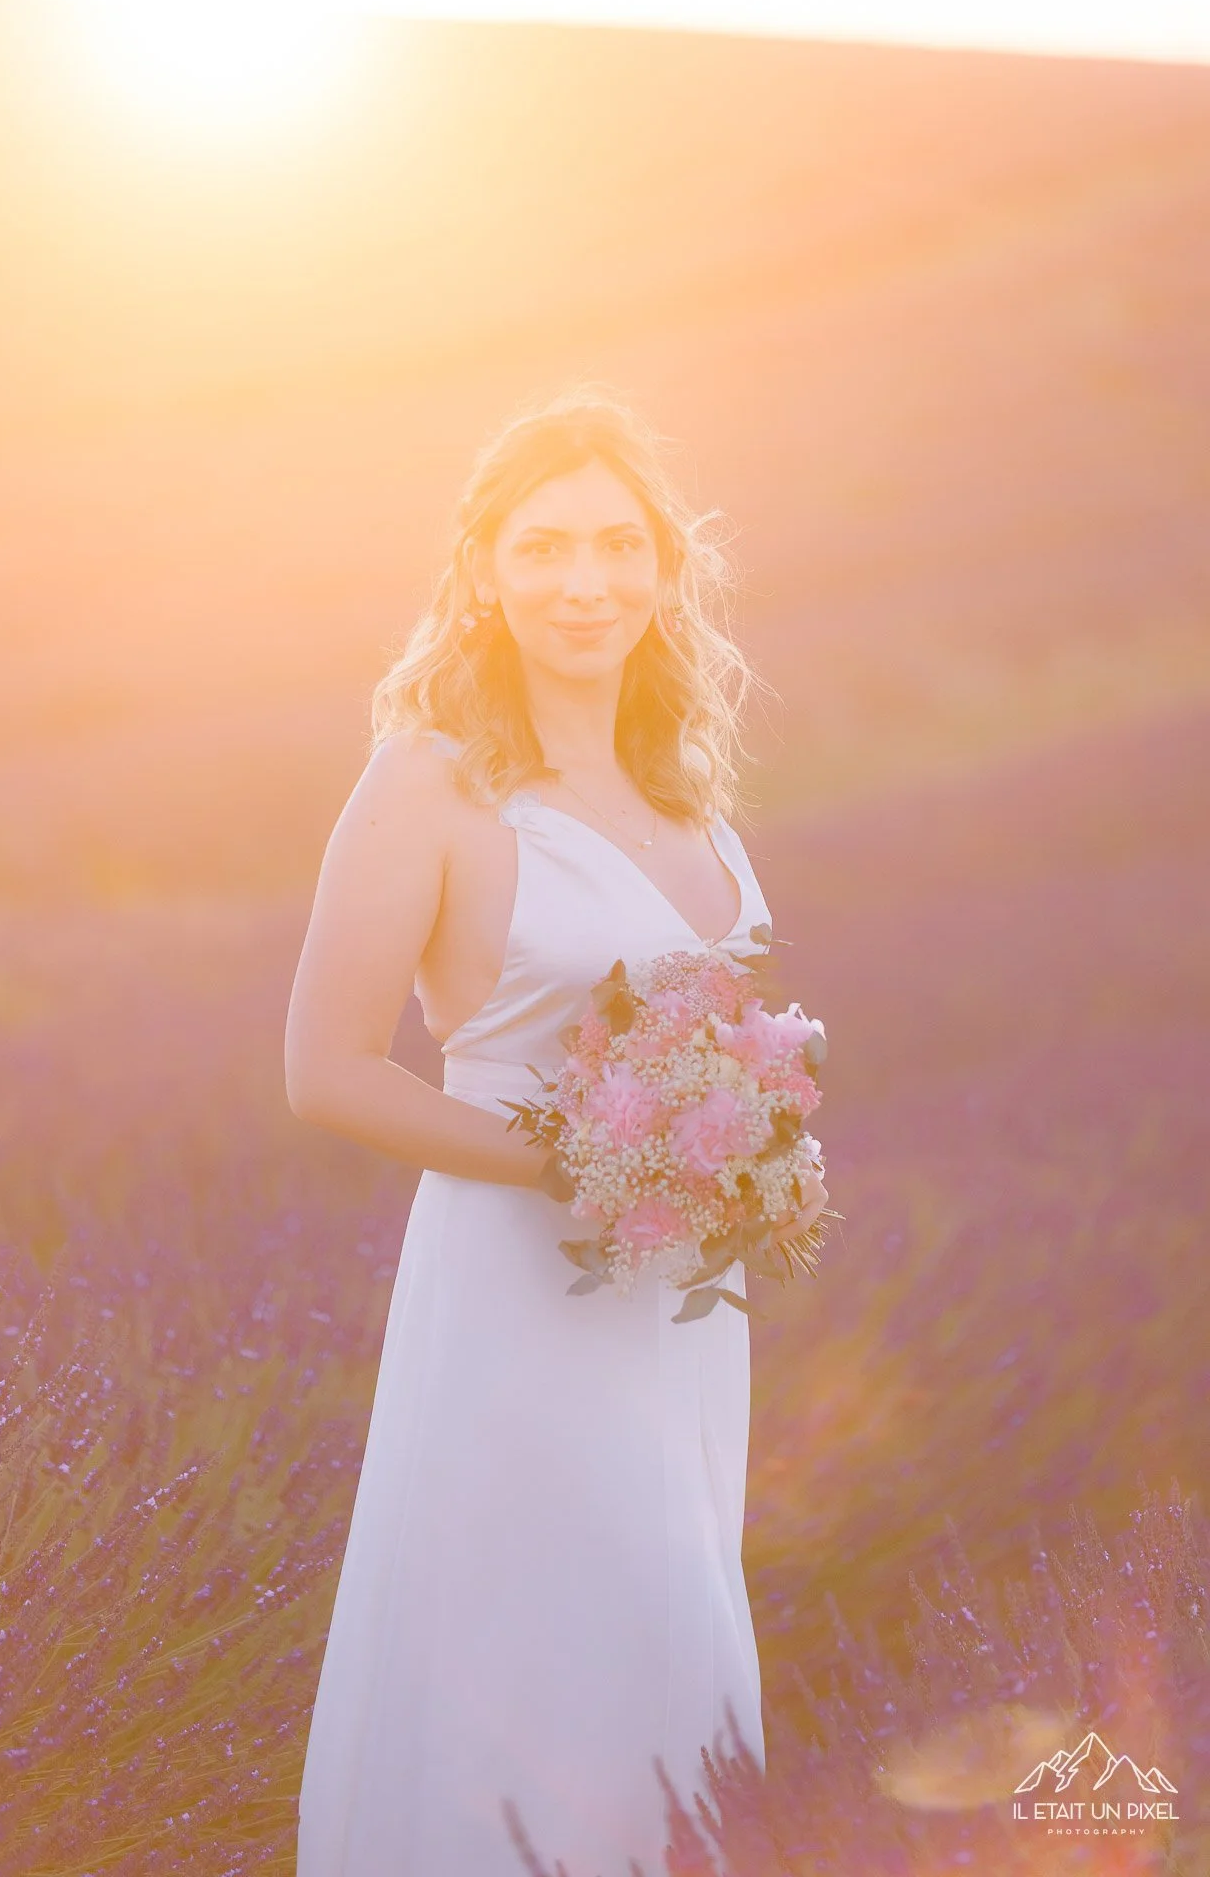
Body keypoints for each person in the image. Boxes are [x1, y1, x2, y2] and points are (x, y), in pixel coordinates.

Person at [285, 382, 827, 1876]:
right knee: (522, 1647)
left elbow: (711, 1032)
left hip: (678, 1311)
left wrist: (754, 1150)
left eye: (614, 545)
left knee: (667, 1623)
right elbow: (327, 1069)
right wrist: (589, 1163)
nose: (582, 582)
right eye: (542, 549)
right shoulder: (430, 786)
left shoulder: (687, 788)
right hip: (518, 1294)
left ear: (664, 568)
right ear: (483, 572)